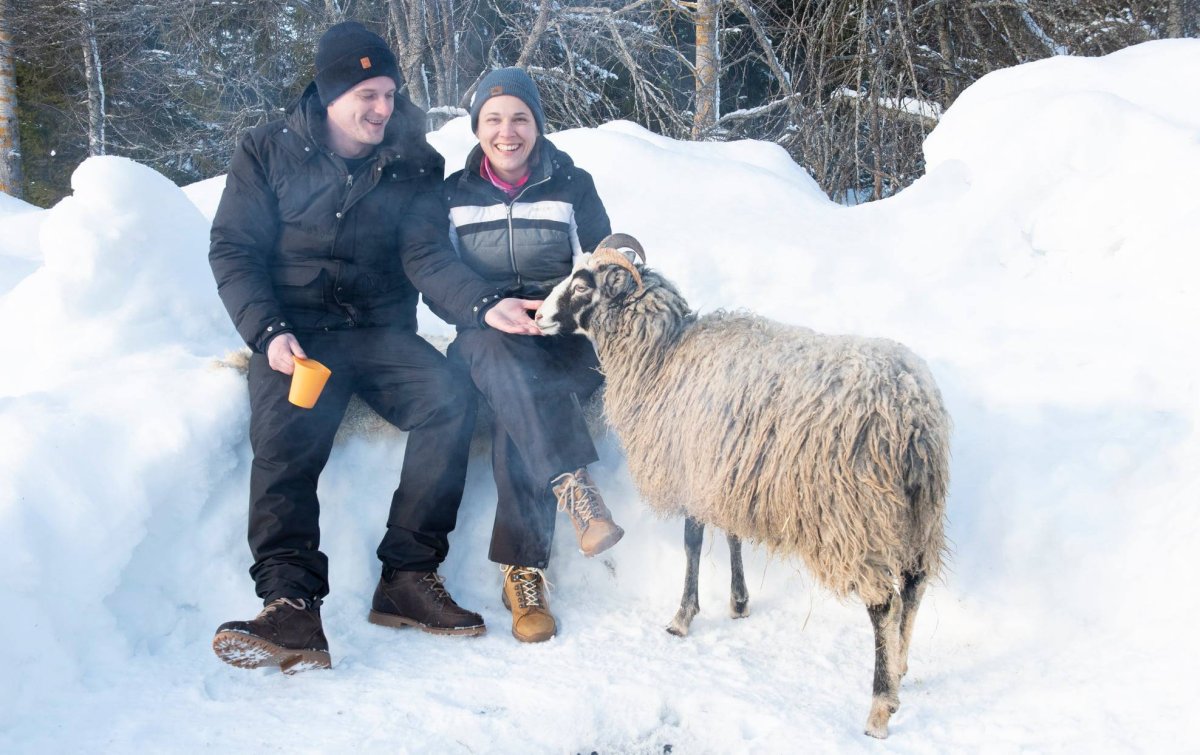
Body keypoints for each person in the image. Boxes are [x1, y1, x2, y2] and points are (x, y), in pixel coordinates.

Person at [207, 22, 542, 672]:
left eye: (390, 94)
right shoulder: (266, 150)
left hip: (382, 333)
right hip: (298, 335)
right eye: (368, 95)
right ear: (331, 93)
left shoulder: (413, 160)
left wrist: (478, 302)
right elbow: (234, 250)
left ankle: (409, 575)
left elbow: (424, 253)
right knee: (284, 435)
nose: (383, 109)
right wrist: (269, 332)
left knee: (449, 396)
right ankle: (291, 605)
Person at [443, 67, 623, 644]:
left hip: (562, 341)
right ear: (476, 128)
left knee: (517, 396)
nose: (507, 131)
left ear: (538, 124)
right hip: (482, 336)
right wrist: (487, 305)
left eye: (520, 117)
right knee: (501, 354)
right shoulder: (452, 194)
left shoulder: (573, 184)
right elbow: (436, 276)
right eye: (493, 119)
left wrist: (616, 260)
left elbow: (597, 263)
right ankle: (574, 488)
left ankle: (521, 574)